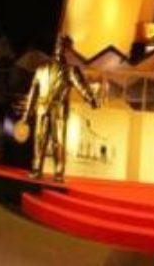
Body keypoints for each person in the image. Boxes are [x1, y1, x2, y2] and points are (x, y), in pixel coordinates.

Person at [21, 35, 99, 182]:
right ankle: (37, 170)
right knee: (39, 140)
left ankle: (59, 173)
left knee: (59, 142)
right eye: (57, 44)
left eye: (62, 45)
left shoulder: (70, 70)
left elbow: (82, 87)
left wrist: (92, 100)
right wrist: (26, 114)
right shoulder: (41, 69)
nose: (59, 47)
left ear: (66, 49)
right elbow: (33, 92)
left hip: (59, 110)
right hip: (42, 108)